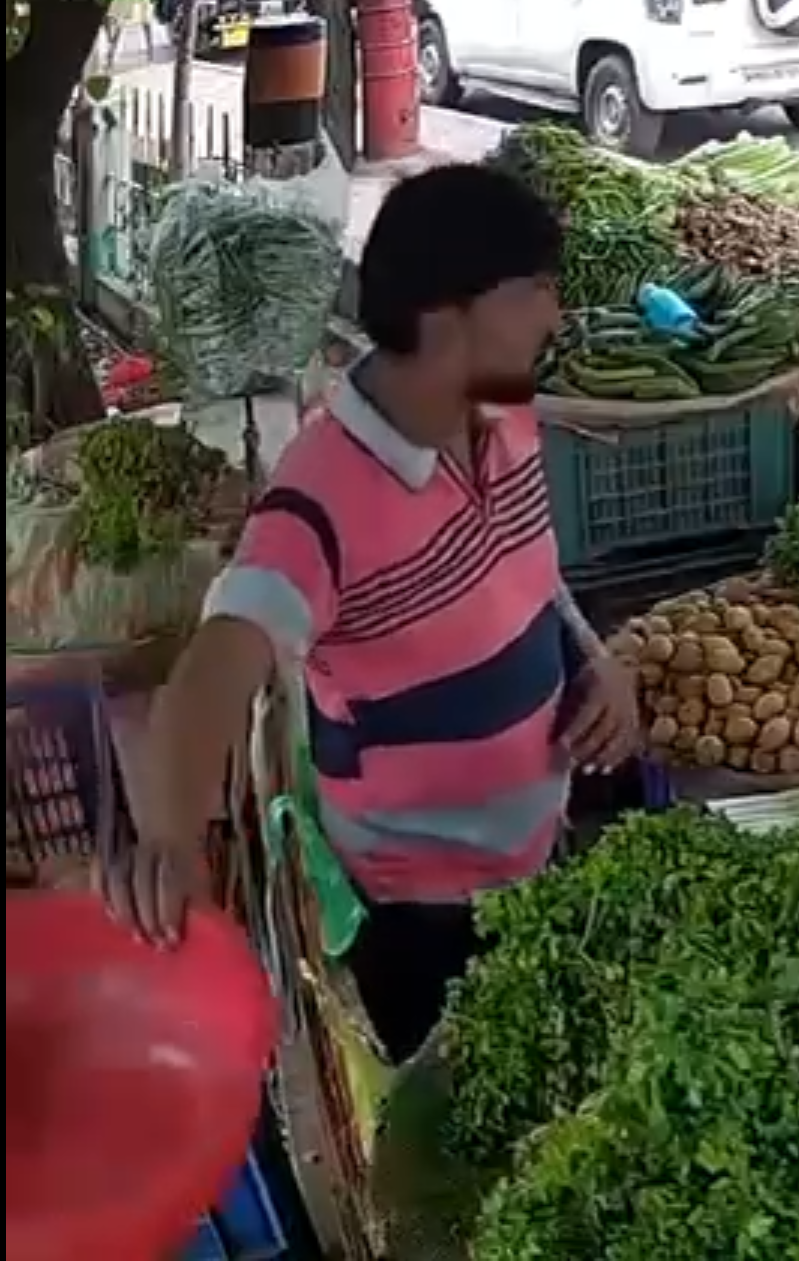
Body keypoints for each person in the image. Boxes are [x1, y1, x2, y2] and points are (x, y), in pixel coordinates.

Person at [97, 165, 643, 1063]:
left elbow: (526, 568)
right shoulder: (319, 498)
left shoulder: (503, 412)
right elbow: (222, 659)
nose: (555, 316)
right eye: (534, 292)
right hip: (422, 916)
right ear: (446, 315)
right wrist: (169, 836)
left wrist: (596, 661)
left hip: (537, 854)